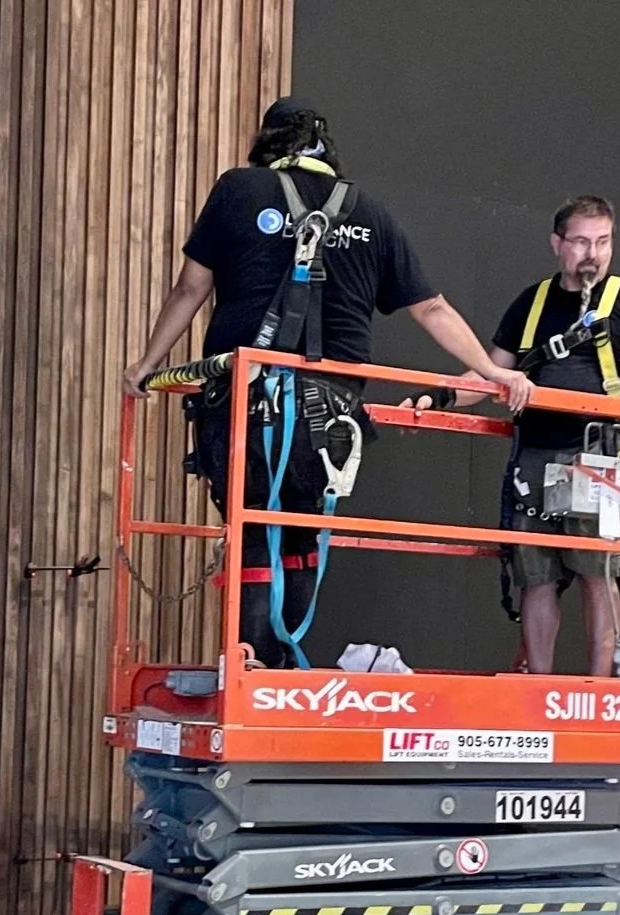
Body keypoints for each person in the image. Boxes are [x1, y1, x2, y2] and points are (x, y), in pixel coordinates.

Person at [121, 97, 531, 668]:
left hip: (247, 403)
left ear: (268, 147)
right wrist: (490, 371)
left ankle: (257, 664)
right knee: (301, 530)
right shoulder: (371, 213)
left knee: (256, 523)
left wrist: (146, 365)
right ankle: (281, 661)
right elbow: (431, 308)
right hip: (331, 418)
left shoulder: (239, 190)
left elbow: (190, 288)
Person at [486, 195, 620, 677]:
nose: (593, 253)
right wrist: (437, 398)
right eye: (581, 241)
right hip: (534, 455)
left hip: (599, 457)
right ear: (557, 244)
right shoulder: (531, 303)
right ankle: (540, 687)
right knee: (535, 578)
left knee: (598, 574)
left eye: (603, 241)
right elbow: (489, 376)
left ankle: (600, 688)